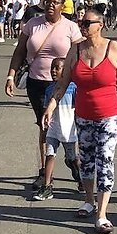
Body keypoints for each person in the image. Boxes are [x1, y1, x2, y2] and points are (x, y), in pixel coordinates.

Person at [43, 4, 117, 234]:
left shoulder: (114, 49)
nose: (82, 26)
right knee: (87, 160)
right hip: (82, 116)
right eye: (81, 22)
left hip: (109, 115)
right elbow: (63, 84)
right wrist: (51, 106)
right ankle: (89, 200)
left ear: (100, 25)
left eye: (86, 23)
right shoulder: (76, 50)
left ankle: (102, 214)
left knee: (105, 160)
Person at [5, 0, 84, 189]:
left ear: (62, 5)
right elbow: (19, 51)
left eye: (55, 2)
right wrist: (11, 76)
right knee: (44, 125)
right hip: (36, 83)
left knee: (67, 124)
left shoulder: (71, 27)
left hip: (63, 84)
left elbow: (81, 55)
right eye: (47, 2)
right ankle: (44, 172)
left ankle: (74, 160)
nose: (50, 5)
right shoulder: (33, 25)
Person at [32, 57, 80, 201]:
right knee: (50, 154)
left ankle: (80, 177)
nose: (53, 71)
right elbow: (47, 108)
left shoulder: (73, 88)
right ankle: (47, 186)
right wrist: (45, 123)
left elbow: (78, 109)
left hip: (68, 130)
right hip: (53, 128)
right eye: (52, 67)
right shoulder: (49, 89)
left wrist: (80, 126)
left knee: (72, 159)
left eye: (57, 68)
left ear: (65, 71)